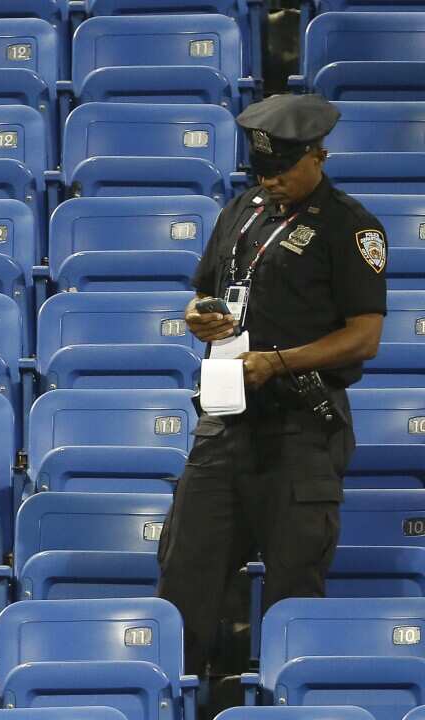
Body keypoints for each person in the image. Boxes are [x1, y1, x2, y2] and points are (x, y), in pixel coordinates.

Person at [156, 93, 387, 678]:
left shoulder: (352, 227)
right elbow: (204, 291)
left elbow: (363, 338)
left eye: (283, 169)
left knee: (293, 591)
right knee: (184, 581)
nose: (273, 181)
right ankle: (181, 699)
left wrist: (278, 361)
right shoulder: (242, 209)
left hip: (302, 431)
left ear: (318, 156)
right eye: (263, 170)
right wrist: (197, 316)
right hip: (225, 424)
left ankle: (290, 702)